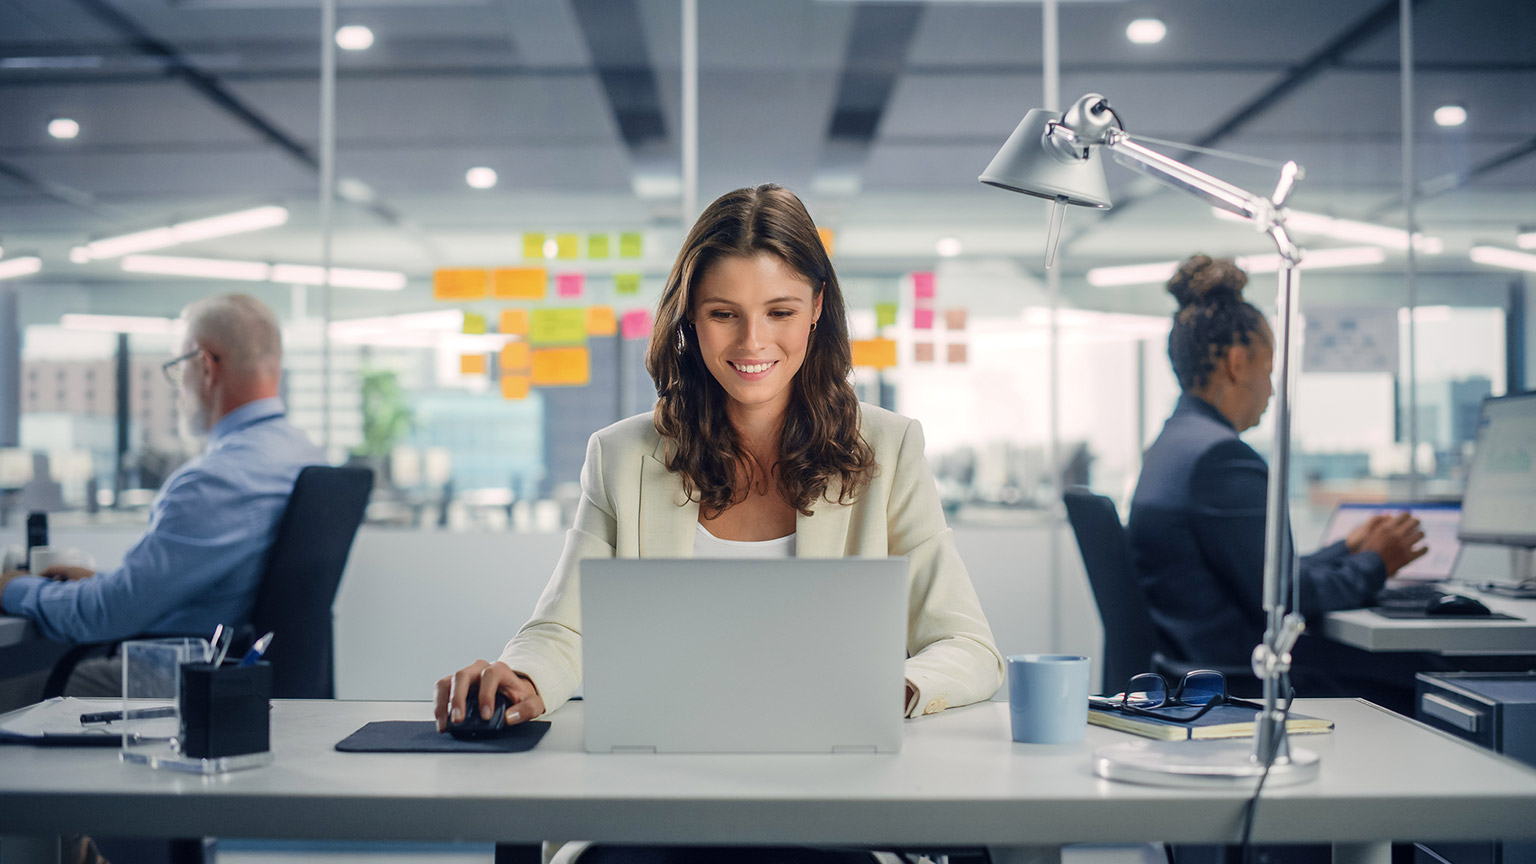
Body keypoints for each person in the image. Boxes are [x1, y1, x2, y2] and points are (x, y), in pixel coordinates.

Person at [436, 183, 1003, 736]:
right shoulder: (621, 457)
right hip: (664, 778)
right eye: (724, 314)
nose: (752, 342)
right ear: (689, 317)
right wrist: (523, 676)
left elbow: (967, 646)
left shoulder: (889, 448)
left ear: (817, 307)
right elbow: (564, 629)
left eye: (780, 311)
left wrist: (890, 689)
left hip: (836, 773)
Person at [1126, 254, 1428, 707]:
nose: (1271, 389)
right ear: (1236, 362)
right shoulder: (1220, 458)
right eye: (1268, 370)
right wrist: (1376, 563)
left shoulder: (1173, 446)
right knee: (1427, 673)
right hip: (1244, 683)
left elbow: (1262, 575)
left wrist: (1346, 549)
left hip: (1193, 671)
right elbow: (1284, 599)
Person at [0, 293, 325, 696]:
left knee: (12, 689)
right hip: (236, 671)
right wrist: (108, 583)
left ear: (204, 367)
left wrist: (12, 588)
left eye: (177, 368)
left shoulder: (216, 480)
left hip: (182, 676)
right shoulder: (303, 455)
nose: (178, 387)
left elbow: (104, 616)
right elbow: (209, 584)